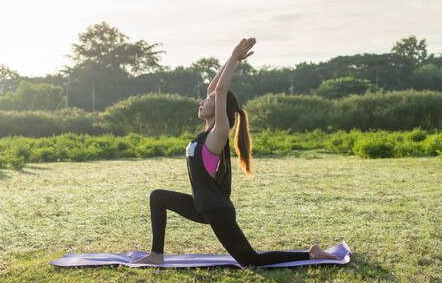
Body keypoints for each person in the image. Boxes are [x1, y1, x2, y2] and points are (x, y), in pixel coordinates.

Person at [133, 37, 339, 266]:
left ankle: (311, 254)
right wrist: (228, 62)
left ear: (222, 108)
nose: (203, 101)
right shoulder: (205, 133)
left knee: (250, 261)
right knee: (158, 196)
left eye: (209, 100)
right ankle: (156, 254)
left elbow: (220, 89)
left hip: (217, 209)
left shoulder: (219, 132)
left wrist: (234, 58)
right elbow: (214, 88)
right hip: (201, 206)